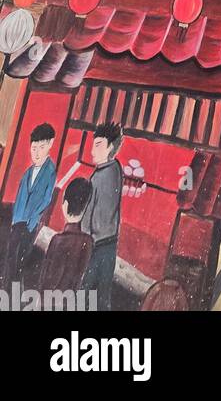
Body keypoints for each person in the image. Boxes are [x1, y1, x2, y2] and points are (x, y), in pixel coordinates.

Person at [5, 122, 57, 288]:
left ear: (50, 144)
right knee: (9, 260)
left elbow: (46, 200)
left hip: (30, 225)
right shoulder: (27, 172)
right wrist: (15, 221)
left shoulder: (50, 171)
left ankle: (11, 294)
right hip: (18, 223)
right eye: (33, 148)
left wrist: (31, 223)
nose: (36, 153)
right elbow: (20, 197)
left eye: (41, 147)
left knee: (21, 262)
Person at [81, 123, 123, 310]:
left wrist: (83, 238)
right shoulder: (115, 169)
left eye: (98, 145)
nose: (92, 151)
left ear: (110, 147)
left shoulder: (101, 175)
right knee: (101, 297)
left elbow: (90, 213)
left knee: (85, 293)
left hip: (96, 243)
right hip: (108, 242)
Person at [40, 177, 93, 295]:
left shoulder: (58, 240)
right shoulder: (88, 241)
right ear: (85, 208)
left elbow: (48, 279)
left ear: (65, 204)